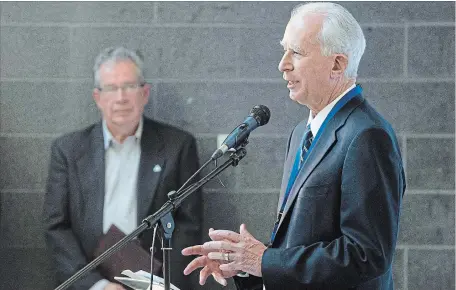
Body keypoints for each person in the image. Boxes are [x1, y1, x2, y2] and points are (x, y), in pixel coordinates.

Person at [181, 2, 406, 290]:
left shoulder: (367, 136)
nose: (282, 64)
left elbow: (366, 255)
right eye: (284, 49)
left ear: (337, 64)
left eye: (296, 52)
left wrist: (263, 261)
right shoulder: (302, 132)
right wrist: (242, 263)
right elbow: (301, 242)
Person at [43, 47, 202, 290]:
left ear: (145, 93)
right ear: (97, 97)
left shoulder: (177, 146)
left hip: (156, 283)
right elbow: (57, 228)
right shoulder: (68, 151)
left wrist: (162, 285)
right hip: (90, 283)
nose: (121, 97)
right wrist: (96, 286)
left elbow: (188, 225)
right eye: (111, 88)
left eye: (129, 86)